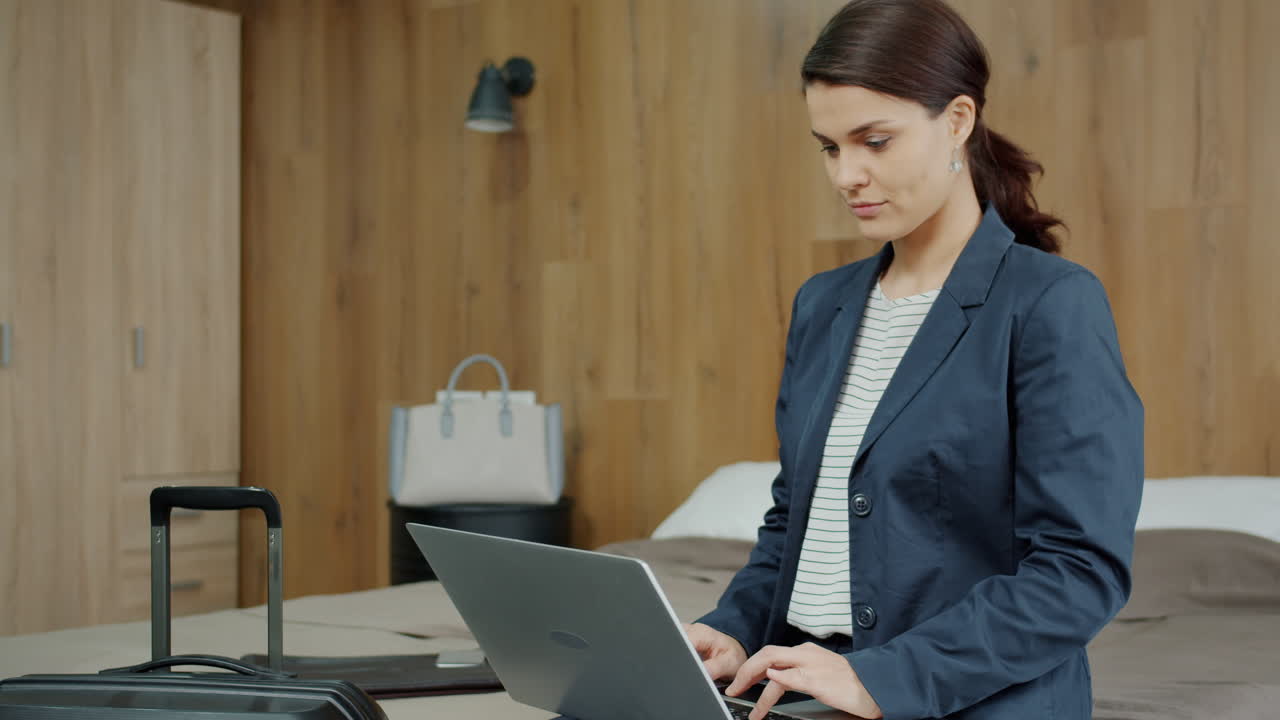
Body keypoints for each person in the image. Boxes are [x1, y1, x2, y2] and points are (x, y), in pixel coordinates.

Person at [683, 1, 1144, 718]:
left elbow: (1079, 572)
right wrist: (733, 630)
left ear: (957, 120)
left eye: (875, 141)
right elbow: (796, 520)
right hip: (801, 687)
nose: (847, 175)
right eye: (830, 147)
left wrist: (880, 678)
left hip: (963, 699)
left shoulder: (1049, 303)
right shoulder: (822, 305)